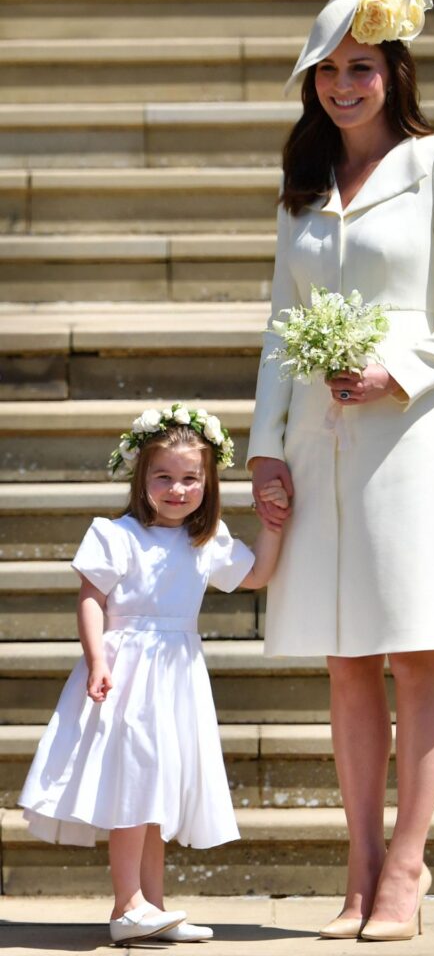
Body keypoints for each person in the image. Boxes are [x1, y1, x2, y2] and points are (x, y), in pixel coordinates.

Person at [248, 0, 434, 943]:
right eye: (330, 67)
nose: (345, 82)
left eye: (363, 64)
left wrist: (406, 366)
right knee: (344, 657)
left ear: (396, 70)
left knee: (412, 647)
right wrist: (265, 448)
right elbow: (280, 327)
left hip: (409, 442)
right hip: (319, 445)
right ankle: (357, 868)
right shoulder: (304, 183)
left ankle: (407, 868)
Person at [19, 404, 288, 946]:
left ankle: (152, 906)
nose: (177, 488)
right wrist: (96, 659)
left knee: (156, 791)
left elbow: (256, 573)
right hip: (126, 672)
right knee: (133, 787)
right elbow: (92, 598)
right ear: (141, 477)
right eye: (163, 476)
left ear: (207, 482)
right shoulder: (116, 535)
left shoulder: (204, 540)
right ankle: (127, 906)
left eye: (190, 478)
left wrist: (273, 526)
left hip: (176, 675)